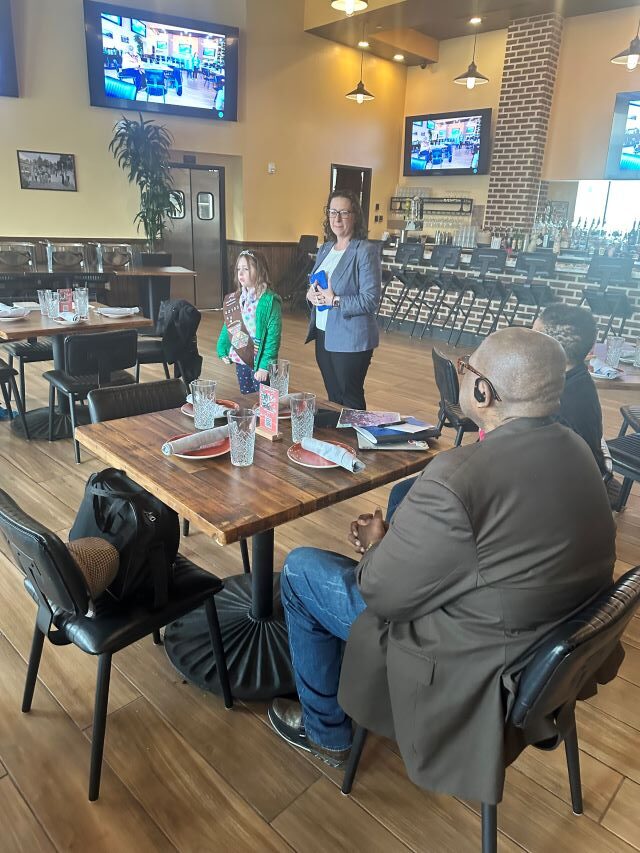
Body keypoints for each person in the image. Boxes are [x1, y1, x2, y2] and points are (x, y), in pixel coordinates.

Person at [268, 327, 618, 806]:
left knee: (301, 568)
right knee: (400, 503)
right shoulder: (577, 448)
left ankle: (326, 731)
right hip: (549, 649)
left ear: (483, 391)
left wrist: (376, 549)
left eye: (465, 367)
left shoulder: (458, 477)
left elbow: (380, 595)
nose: (462, 373)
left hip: (469, 667)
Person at [305, 189, 381, 410]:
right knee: (334, 397)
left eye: (343, 213)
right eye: (332, 212)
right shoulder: (326, 248)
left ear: (354, 216)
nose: (337, 218)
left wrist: (335, 301)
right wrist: (310, 294)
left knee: (350, 398)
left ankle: (357, 443)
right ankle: (339, 444)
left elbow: (370, 300)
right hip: (323, 333)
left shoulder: (365, 251)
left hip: (351, 338)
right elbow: (317, 284)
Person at [533, 303, 605, 473]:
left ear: (549, 349)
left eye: (533, 337)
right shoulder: (576, 377)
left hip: (568, 485)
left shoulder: (558, 409)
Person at [217, 249, 282, 394]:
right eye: (239, 269)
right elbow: (230, 324)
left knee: (264, 402)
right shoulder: (238, 298)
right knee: (247, 397)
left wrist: (265, 365)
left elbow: (273, 338)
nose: (241, 273)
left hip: (260, 362)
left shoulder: (269, 301)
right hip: (241, 357)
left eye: (246, 269)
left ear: (260, 271)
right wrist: (222, 347)